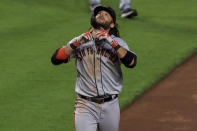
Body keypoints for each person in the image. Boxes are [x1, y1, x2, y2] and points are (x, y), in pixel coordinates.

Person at [51, 5, 137, 131]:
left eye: (106, 14)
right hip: (85, 105)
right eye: (99, 13)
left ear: (112, 25)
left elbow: (132, 62)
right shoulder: (80, 40)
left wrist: (112, 43)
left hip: (110, 105)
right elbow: (56, 59)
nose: (101, 14)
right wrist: (76, 43)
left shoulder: (118, 43)